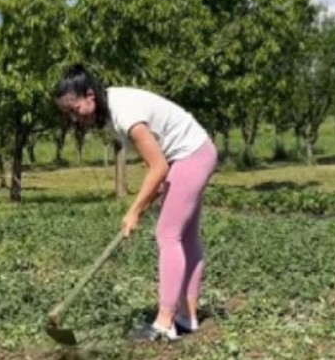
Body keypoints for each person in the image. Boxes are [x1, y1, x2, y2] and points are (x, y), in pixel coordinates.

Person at [56, 64, 217, 341]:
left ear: (90, 96)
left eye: (75, 109)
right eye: (67, 113)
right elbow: (154, 162)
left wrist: (133, 211)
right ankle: (187, 317)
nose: (73, 118)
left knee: (168, 236)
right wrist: (145, 201)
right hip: (190, 154)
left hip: (191, 155)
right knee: (185, 237)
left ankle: (164, 323)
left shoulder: (125, 114)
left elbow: (158, 167)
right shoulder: (110, 113)